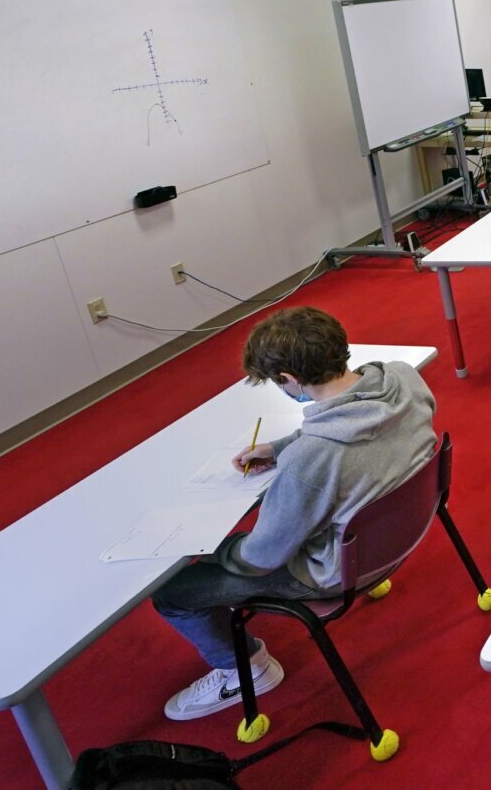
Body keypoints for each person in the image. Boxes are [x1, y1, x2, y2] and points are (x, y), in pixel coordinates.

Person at [151, 307, 437, 721]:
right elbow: (347, 418)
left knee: (173, 592)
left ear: (288, 378)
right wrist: (281, 448)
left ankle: (246, 669)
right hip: (399, 534)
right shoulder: (402, 377)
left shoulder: (312, 460)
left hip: (333, 573)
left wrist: (212, 550)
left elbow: (262, 557)